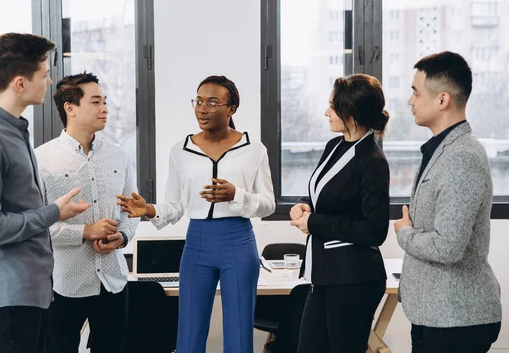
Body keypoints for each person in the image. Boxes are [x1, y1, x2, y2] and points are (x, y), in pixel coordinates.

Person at [117, 75, 276, 353]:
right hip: (197, 245)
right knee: (189, 335)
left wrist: (236, 195)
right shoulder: (181, 150)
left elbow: (268, 204)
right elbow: (175, 206)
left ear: (231, 108)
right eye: (199, 101)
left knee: (239, 337)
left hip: (238, 243)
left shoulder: (254, 149)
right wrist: (149, 209)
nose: (202, 109)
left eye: (213, 102)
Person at [0, 33, 90, 353]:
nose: (49, 81)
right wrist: (52, 212)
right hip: (8, 296)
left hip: (32, 292)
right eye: (43, 75)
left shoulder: (13, 130)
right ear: (19, 83)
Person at [394, 51, 502, 352]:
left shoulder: (462, 157)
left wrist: (404, 233)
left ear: (442, 100)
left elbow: (448, 246)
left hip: (457, 318)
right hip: (439, 316)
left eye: (415, 92)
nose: (409, 101)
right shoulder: (444, 148)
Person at [35, 72, 140, 353]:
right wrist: (84, 232)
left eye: (104, 101)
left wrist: (123, 237)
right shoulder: (40, 159)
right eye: (96, 102)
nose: (104, 108)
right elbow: (34, 225)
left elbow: (133, 210)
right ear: (70, 107)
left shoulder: (118, 156)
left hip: (113, 282)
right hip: (63, 282)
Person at [290, 74, 390, 353]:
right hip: (324, 275)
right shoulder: (334, 146)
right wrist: (303, 205)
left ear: (352, 113)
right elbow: (327, 197)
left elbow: (375, 231)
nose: (326, 112)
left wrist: (315, 222)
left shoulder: (373, 162)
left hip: (354, 278)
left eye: (333, 107)